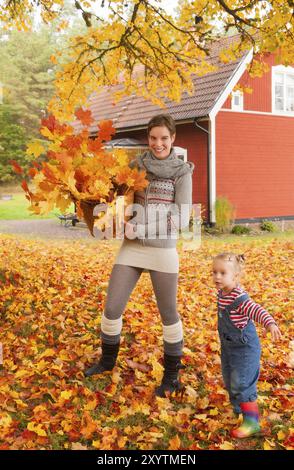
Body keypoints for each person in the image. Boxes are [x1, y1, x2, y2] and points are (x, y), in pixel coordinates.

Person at [85, 113, 195, 397]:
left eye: (164, 138)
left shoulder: (183, 172)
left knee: (168, 314)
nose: (158, 144)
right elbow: (118, 199)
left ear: (173, 139)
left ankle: (171, 377)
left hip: (162, 251)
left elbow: (181, 218)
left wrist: (142, 227)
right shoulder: (137, 167)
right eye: (153, 138)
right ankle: (107, 362)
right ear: (148, 138)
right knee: (111, 308)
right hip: (132, 248)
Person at [212, 252, 282, 438]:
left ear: (235, 276)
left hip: (244, 349)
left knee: (242, 382)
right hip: (229, 347)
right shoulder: (222, 292)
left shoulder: (239, 299)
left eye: (222, 273)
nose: (217, 276)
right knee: (229, 376)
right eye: (214, 272)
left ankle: (252, 422)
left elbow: (256, 309)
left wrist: (270, 323)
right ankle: (239, 408)